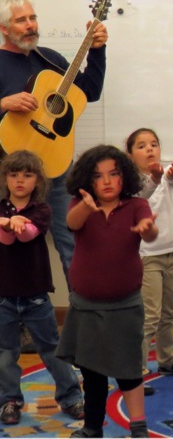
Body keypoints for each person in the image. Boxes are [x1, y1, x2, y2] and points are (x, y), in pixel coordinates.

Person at [0, 0, 108, 286]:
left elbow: (89, 92)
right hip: (8, 172)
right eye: (21, 20)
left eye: (33, 18)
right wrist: (4, 103)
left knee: (71, 244)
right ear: (4, 28)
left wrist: (97, 51)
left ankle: (82, 309)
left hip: (56, 170)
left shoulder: (50, 59)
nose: (30, 25)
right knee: (7, 245)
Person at [57, 145, 158, 439]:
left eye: (113, 174)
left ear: (124, 176)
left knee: (129, 371)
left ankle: (138, 427)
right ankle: (92, 427)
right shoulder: (79, 204)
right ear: (87, 181)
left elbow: (151, 232)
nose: (107, 181)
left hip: (125, 306)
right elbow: (71, 223)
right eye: (98, 176)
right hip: (86, 307)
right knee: (92, 373)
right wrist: (87, 207)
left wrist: (147, 228)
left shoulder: (137, 205)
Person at [0, 151, 85, 426]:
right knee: (5, 353)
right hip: (4, 295)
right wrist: (7, 223)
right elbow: (5, 239)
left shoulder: (42, 209)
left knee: (52, 349)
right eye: (14, 175)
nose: (20, 180)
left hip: (36, 295)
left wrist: (13, 224)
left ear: (38, 181)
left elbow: (26, 236)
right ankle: (9, 401)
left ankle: (71, 397)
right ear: (5, 179)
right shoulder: (2, 209)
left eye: (27, 175)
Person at [126, 129, 173, 383]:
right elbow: (140, 197)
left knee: (168, 314)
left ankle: (167, 360)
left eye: (154, 144)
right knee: (149, 316)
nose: (149, 149)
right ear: (129, 154)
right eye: (141, 146)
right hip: (149, 256)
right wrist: (155, 179)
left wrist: (171, 174)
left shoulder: (167, 173)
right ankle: (136, 370)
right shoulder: (129, 183)